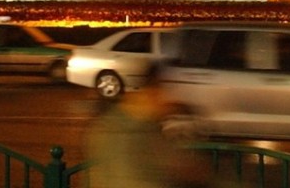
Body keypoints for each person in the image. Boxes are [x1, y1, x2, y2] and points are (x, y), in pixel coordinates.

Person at [84, 66, 212, 188]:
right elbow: (180, 167)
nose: (172, 100)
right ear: (156, 90)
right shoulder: (142, 129)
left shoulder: (109, 122)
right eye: (171, 92)